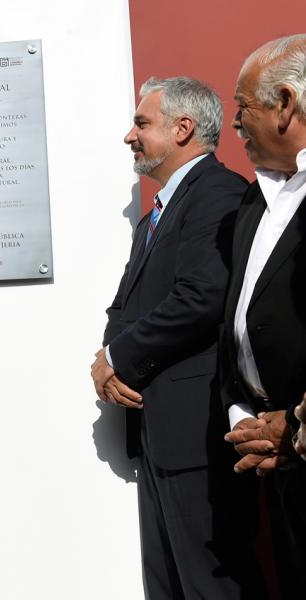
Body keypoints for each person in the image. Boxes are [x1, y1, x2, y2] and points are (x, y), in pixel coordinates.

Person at [92, 76, 263, 598]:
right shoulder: (154, 216)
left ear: (183, 129)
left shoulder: (218, 192)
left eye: (142, 123)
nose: (130, 136)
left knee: (211, 583)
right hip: (158, 435)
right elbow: (125, 305)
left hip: (198, 437)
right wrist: (106, 360)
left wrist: (119, 355)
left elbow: (202, 297)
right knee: (168, 585)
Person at [220, 33, 306, 596]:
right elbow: (236, 317)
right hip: (274, 463)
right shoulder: (256, 202)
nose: (234, 124)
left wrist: (296, 427)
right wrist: (242, 417)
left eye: (243, 106)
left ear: (285, 104)